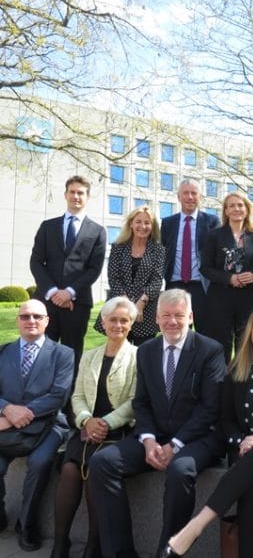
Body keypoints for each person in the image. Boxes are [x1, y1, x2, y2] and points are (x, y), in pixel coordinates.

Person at [160, 307, 253, 558]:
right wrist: (240, 440)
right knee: (249, 486)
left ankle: (196, 526)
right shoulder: (235, 369)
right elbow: (226, 419)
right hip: (242, 448)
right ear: (250, 332)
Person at [89, 289, 226, 557]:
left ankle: (168, 551)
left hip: (199, 439)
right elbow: (141, 402)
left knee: (179, 471)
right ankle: (120, 552)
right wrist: (148, 439)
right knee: (102, 462)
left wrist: (174, 445)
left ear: (190, 317)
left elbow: (210, 408)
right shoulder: (147, 351)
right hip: (156, 436)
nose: (172, 321)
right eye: (165, 315)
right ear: (156, 318)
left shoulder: (210, 350)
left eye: (178, 315)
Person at [51, 297, 138, 558]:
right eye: (113, 319)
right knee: (69, 470)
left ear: (131, 324)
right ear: (103, 322)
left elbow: (136, 400)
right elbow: (77, 396)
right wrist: (87, 420)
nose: (118, 325)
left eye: (124, 320)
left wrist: (106, 422)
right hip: (86, 428)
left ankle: (93, 546)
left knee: (95, 474)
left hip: (119, 430)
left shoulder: (139, 356)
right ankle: (59, 543)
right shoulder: (89, 356)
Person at [0, 300, 73, 551]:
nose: (31, 320)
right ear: (18, 320)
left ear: (47, 321)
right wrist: (6, 409)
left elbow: (59, 395)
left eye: (37, 316)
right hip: (5, 425)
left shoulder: (63, 354)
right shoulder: (3, 351)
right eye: (25, 316)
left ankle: (27, 524)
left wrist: (24, 412)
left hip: (49, 424)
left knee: (40, 462)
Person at [30, 175, 106, 375]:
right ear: (65, 195)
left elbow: (94, 268)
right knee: (42, 355)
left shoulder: (98, 231)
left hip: (77, 304)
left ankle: (69, 405)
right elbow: (36, 262)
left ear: (87, 197)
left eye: (80, 193)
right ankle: (41, 404)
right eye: (72, 192)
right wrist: (54, 292)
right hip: (46, 303)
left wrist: (69, 292)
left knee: (72, 357)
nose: (76, 196)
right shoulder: (48, 227)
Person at [201, 192, 253, 363]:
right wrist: (229, 278)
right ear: (226, 211)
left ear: (246, 209)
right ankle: (221, 384)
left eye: (240, 205)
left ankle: (243, 383)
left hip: (249, 298)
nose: (236, 209)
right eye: (231, 206)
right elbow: (205, 268)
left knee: (246, 344)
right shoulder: (214, 236)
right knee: (220, 344)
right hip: (220, 297)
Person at [94, 205, 165, 345]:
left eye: (147, 222)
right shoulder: (118, 248)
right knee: (117, 353)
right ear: (131, 224)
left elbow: (157, 281)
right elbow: (114, 278)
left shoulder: (158, 250)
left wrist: (140, 304)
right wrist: (127, 305)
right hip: (119, 309)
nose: (142, 226)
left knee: (143, 356)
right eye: (138, 221)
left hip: (145, 312)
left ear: (152, 227)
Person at [161, 180, 220, 334]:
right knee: (176, 333)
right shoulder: (168, 223)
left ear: (200, 197)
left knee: (204, 333)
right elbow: (163, 254)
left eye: (194, 193)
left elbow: (218, 255)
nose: (190, 197)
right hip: (174, 284)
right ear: (178, 197)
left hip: (201, 286)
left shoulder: (212, 222)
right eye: (185, 193)